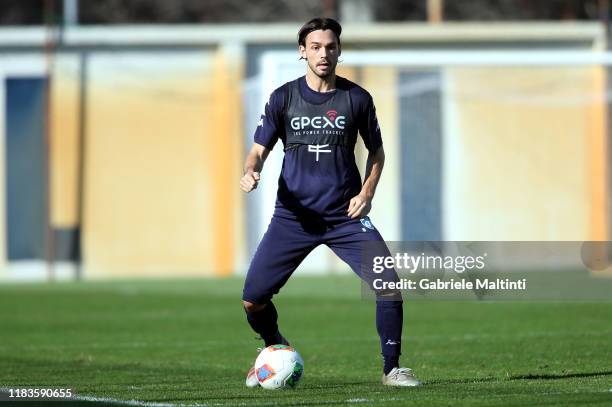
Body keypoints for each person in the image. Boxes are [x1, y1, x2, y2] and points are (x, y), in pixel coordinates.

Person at [240, 17, 421, 387]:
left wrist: (366, 193)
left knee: (388, 284)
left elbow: (377, 153)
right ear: (302, 52)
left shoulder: (356, 98)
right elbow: (258, 150)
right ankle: (275, 347)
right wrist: (250, 171)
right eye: (316, 47)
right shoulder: (283, 97)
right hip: (293, 218)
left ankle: (392, 369)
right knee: (252, 301)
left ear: (339, 50)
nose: (324, 53)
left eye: (330, 46)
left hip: (345, 217)